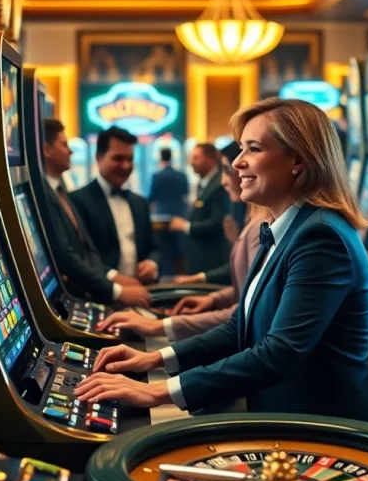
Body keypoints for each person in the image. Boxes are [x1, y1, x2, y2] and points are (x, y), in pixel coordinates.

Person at [74, 98, 368, 423]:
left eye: (253, 149)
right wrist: (152, 359)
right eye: (240, 149)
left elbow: (279, 354)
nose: (237, 163)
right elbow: (241, 326)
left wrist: (156, 392)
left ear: (298, 158)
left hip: (325, 428)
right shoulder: (283, 227)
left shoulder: (321, 236)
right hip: (281, 415)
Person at [97, 141, 261, 340]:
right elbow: (247, 292)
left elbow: (248, 312)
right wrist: (212, 299)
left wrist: (161, 329)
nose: (224, 180)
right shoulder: (254, 222)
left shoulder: (260, 228)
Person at [40, 119, 150, 306]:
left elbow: (87, 250)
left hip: (121, 290)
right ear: (46, 149)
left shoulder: (60, 189)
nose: (71, 150)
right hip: (83, 296)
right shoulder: (47, 193)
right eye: (64, 144)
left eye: (130, 159)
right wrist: (115, 290)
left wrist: (116, 278)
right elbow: (66, 255)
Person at [70, 127, 160, 290]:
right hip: (97, 294)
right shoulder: (77, 201)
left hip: (141, 292)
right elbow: (79, 257)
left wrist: (152, 263)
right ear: (99, 158)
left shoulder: (140, 202)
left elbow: (154, 247)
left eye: (130, 159)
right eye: (118, 158)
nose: (125, 166)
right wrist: (114, 279)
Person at [170, 143, 232, 275]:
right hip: (200, 260)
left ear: (210, 159)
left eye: (196, 158)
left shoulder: (219, 185)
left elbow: (217, 224)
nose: (191, 162)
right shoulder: (204, 184)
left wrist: (186, 226)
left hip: (211, 261)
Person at [149, 147, 189, 274]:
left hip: (162, 218)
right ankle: (181, 275)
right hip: (180, 215)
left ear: (161, 157)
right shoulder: (181, 175)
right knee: (179, 250)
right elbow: (186, 192)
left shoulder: (157, 176)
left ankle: (167, 276)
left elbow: (152, 196)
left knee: (164, 249)